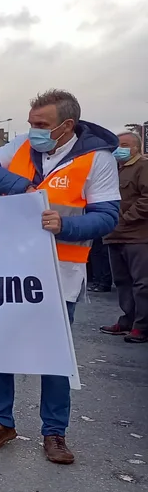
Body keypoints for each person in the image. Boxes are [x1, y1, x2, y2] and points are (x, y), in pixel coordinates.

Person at [0, 89, 120, 464]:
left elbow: (108, 216)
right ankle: (0, 421)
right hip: (8, 267)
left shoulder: (97, 159)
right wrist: (24, 188)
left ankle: (54, 432)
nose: (33, 130)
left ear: (67, 126)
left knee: (53, 354)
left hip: (58, 272)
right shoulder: (21, 147)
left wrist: (64, 224)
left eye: (42, 125)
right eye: (31, 123)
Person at [100, 130, 148, 343]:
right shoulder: (113, 169)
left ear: (136, 147)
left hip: (137, 235)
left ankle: (142, 326)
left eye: (125, 145)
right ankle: (127, 320)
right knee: (122, 282)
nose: (119, 149)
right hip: (114, 235)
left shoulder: (143, 167)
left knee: (142, 283)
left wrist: (126, 218)